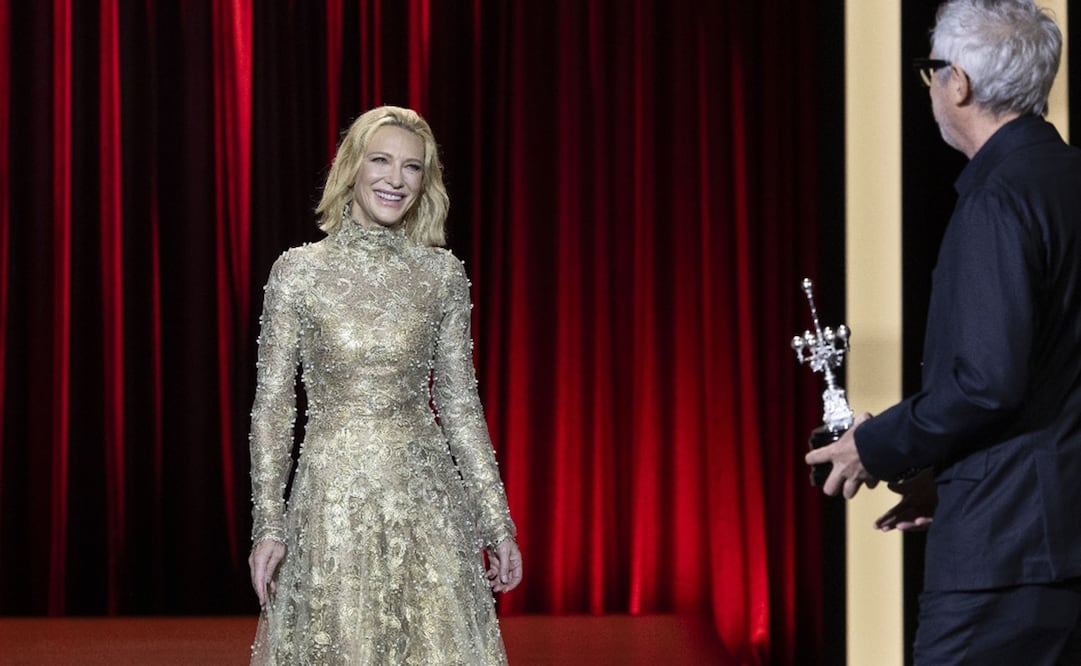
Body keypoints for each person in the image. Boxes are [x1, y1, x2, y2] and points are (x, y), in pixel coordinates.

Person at [806, 0, 1081, 662]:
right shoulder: (1064, 180)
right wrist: (950, 476)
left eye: (930, 71)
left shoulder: (997, 196)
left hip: (1002, 558)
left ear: (956, 82)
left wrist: (874, 444)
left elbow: (987, 382)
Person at [247, 105, 523, 664]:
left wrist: (497, 521)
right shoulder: (298, 272)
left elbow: (460, 406)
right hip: (331, 508)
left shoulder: (443, 276)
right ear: (352, 167)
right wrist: (268, 523)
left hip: (426, 509)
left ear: (426, 182)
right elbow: (274, 408)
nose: (395, 179)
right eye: (381, 160)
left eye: (412, 168)